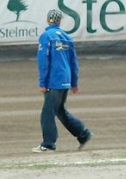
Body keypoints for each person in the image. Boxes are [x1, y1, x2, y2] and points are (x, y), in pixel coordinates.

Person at [34, 9, 93, 152]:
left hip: (54, 80)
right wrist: (74, 82)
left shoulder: (46, 36)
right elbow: (74, 62)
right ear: (60, 21)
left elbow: (44, 61)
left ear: (48, 20)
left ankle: (48, 144)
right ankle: (83, 134)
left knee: (47, 113)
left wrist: (42, 82)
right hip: (65, 79)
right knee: (60, 110)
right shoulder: (67, 37)